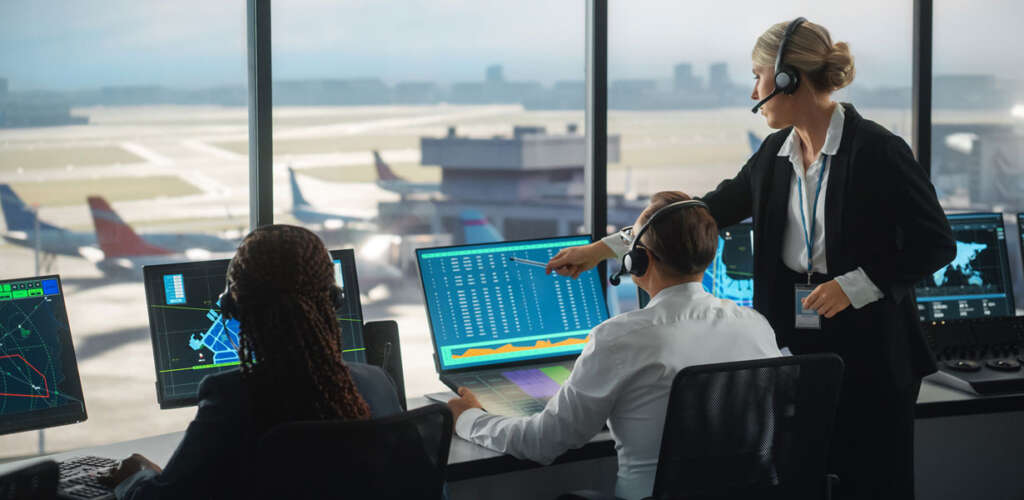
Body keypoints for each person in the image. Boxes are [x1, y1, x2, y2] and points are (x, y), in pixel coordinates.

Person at [544, 19, 954, 500]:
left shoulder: (879, 150)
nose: (754, 89)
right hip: (792, 349)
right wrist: (602, 249)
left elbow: (935, 243)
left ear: (787, 79)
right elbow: (696, 213)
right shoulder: (776, 152)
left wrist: (854, 285)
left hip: (873, 354)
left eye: (758, 75)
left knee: (869, 483)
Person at [448, 191, 781, 499]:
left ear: (638, 261)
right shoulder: (755, 325)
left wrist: (470, 419)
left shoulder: (621, 339)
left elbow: (542, 442)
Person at [100, 225, 403, 499]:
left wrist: (138, 475)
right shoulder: (377, 383)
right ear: (332, 301)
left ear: (233, 307)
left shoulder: (232, 397)